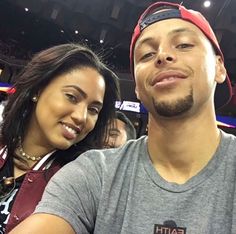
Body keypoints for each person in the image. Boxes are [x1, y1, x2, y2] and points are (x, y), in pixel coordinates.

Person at [10, 2, 236, 234]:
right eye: (147, 54)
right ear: (137, 87)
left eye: (184, 44)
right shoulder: (92, 173)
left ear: (220, 67)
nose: (163, 55)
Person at [0, 43, 119, 233]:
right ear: (38, 90)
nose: (81, 116)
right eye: (72, 97)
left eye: (93, 110)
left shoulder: (86, 181)